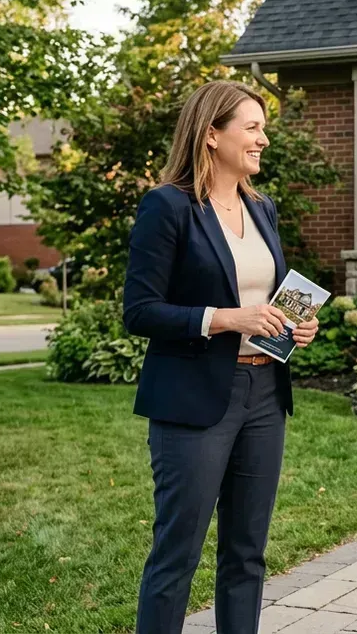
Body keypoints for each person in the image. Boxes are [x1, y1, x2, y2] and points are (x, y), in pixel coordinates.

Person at [124, 80, 320, 634]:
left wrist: (296, 326)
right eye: (252, 127)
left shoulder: (262, 208)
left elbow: (268, 297)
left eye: (263, 128)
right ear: (212, 134)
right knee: (177, 554)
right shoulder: (168, 206)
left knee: (247, 552)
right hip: (194, 400)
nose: (263, 139)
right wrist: (227, 318)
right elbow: (140, 311)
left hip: (265, 395)